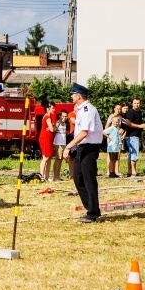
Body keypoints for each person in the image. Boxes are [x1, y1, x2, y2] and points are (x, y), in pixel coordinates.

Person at [63, 83, 103, 223]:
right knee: (78, 178)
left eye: (73, 94)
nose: (72, 96)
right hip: (82, 148)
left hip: (89, 148)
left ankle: (93, 212)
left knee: (88, 180)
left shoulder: (86, 109)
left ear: (78, 96)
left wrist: (68, 146)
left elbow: (84, 132)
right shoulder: (81, 109)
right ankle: (90, 208)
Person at [123, 98, 145, 177]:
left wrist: (142, 137)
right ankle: (133, 171)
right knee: (134, 154)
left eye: (138, 103)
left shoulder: (139, 112)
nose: (137, 105)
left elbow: (140, 128)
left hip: (136, 135)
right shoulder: (131, 112)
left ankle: (130, 171)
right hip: (132, 135)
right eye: (135, 103)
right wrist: (139, 126)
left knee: (131, 154)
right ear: (132, 104)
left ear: (140, 104)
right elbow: (128, 123)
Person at [38, 102, 56, 181]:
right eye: (52, 108)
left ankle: (46, 176)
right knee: (45, 157)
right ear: (48, 109)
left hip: (48, 138)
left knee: (49, 157)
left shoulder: (48, 117)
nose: (54, 110)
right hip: (45, 138)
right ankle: (41, 175)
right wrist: (56, 127)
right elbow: (52, 129)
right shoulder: (47, 117)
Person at [52, 110, 69, 180]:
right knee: (57, 160)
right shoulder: (58, 123)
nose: (64, 118)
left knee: (61, 160)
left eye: (65, 116)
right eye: (63, 116)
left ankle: (58, 176)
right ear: (59, 116)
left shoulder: (65, 124)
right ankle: (55, 176)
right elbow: (54, 131)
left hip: (63, 144)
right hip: (58, 144)